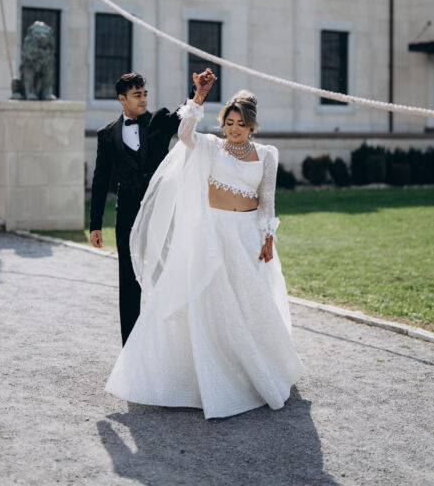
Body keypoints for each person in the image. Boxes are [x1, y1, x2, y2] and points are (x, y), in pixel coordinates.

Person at [105, 68, 305, 419]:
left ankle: (256, 367)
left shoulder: (266, 155)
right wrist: (199, 96)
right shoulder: (212, 146)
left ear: (252, 125)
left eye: (240, 124)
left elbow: (267, 201)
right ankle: (207, 375)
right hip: (213, 232)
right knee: (210, 304)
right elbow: (184, 133)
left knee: (247, 303)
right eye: (229, 122)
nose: (233, 129)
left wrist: (268, 237)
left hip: (247, 235)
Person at [89, 72, 184, 345]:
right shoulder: (107, 135)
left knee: (165, 275)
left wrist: (198, 92)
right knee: (128, 283)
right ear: (122, 99)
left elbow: (184, 114)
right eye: (137, 95)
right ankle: (130, 349)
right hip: (127, 217)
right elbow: (100, 180)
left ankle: (167, 344)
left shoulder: (159, 121)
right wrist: (95, 224)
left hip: (160, 213)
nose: (143, 99)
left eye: (145, 94)